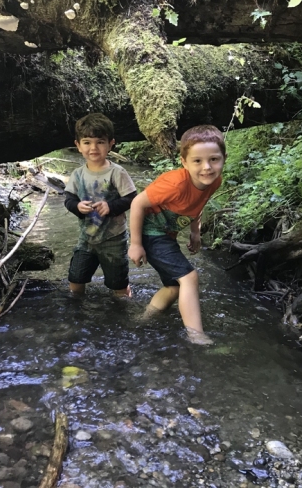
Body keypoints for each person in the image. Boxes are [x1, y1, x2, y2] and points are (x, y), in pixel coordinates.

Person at [128, 125, 226, 345]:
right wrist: (135, 244)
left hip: (166, 235)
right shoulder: (175, 184)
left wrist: (195, 232)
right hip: (149, 233)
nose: (207, 167)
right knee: (189, 277)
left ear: (223, 158)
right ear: (184, 162)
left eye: (214, 159)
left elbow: (198, 204)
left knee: (174, 287)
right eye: (197, 161)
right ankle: (196, 335)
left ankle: (143, 320)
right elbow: (137, 203)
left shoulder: (214, 182)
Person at [64, 113, 137, 297]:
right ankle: (75, 308)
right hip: (86, 237)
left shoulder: (117, 172)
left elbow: (132, 199)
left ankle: (123, 307)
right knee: (76, 278)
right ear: (78, 145)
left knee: (117, 283)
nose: (93, 148)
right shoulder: (78, 174)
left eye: (100, 142)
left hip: (113, 239)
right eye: (87, 142)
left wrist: (111, 207)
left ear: (111, 144)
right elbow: (69, 199)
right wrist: (77, 207)